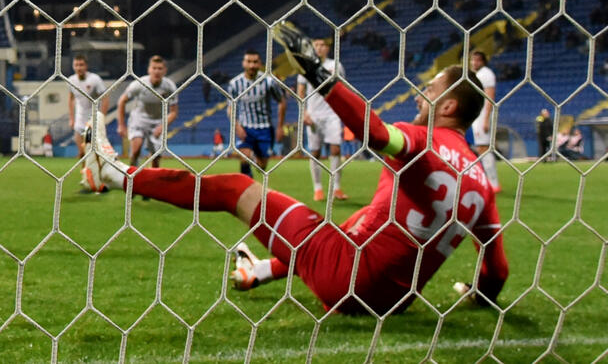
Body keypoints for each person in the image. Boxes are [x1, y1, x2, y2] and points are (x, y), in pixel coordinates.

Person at [83, 23, 508, 315]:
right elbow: (498, 269)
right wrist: (480, 296)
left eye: (430, 90)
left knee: (235, 187)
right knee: (358, 222)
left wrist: (321, 77)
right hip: (394, 301)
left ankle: (116, 172)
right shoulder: (480, 181)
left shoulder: (421, 141)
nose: (420, 95)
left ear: (448, 106)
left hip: (345, 277)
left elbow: (376, 133)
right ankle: (261, 269)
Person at [297, 37, 348, 201]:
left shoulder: (336, 66)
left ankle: (336, 188)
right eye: (316, 45)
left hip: (332, 113)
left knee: (336, 149)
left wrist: (342, 110)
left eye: (323, 45)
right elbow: (301, 90)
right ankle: (318, 189)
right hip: (313, 114)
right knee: (315, 152)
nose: (319, 48)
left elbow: (343, 88)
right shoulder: (305, 65)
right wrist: (304, 113)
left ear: (328, 48)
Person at [227, 49, 286, 176]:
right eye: (249, 62)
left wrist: (280, 127)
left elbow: (282, 102)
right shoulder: (235, 84)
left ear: (260, 64)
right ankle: (248, 186)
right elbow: (230, 108)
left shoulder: (268, 82)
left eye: (255, 62)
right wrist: (237, 126)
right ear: (243, 63)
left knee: (262, 166)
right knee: (244, 157)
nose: (252, 65)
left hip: (265, 128)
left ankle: (256, 158)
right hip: (245, 127)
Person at [116, 55, 178, 171]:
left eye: (160, 68)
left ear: (165, 71)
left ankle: (153, 181)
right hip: (139, 120)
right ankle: (133, 175)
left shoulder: (170, 87)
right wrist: (121, 125)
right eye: (154, 68)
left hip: (158, 122)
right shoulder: (139, 84)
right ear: (149, 69)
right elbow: (121, 101)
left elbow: (174, 112)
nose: (157, 71)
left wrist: (162, 126)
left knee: (155, 158)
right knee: (136, 150)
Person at [470, 50, 500, 192]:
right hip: (478, 114)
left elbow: (490, 97)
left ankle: (493, 184)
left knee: (484, 148)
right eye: (473, 60)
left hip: (483, 114)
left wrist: (486, 119)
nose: (474, 63)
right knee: (481, 148)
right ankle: (489, 182)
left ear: (483, 62)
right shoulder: (476, 75)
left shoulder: (486, 74)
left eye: (477, 60)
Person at [67, 54, 110, 156]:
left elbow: (105, 98)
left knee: (94, 153)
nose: (79, 68)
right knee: (81, 153)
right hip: (79, 119)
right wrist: (71, 118)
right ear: (73, 66)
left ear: (86, 66)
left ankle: (95, 171)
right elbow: (71, 99)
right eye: (76, 65)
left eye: (81, 65)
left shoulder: (95, 79)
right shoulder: (71, 80)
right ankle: (84, 172)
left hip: (93, 120)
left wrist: (102, 117)